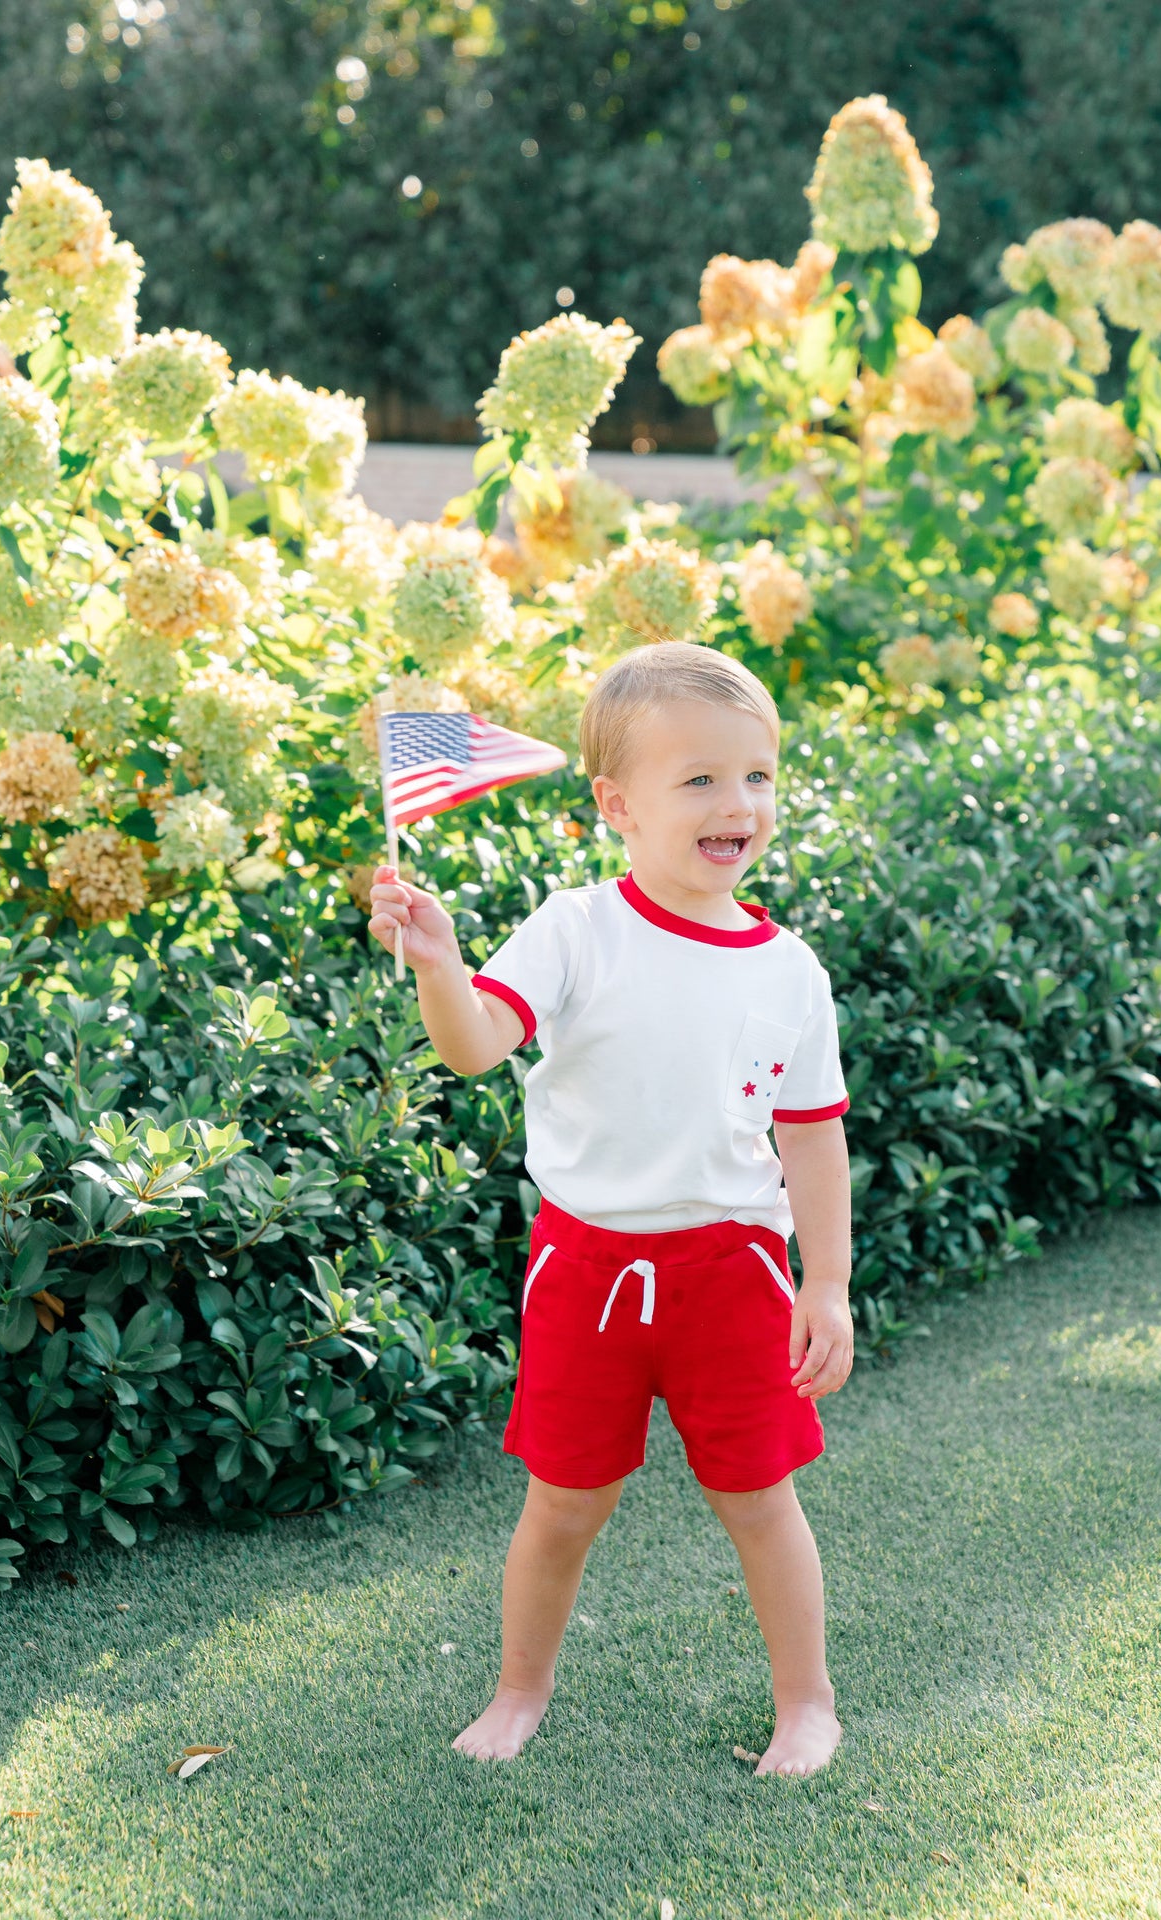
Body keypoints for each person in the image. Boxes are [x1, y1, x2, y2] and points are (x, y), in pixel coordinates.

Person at [366, 641, 854, 1777]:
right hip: (586, 1271)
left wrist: (823, 1281)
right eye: (697, 780)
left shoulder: (789, 972)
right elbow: (477, 1046)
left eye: (756, 776)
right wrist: (440, 966)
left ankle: (806, 1702)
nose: (735, 804)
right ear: (614, 805)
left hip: (732, 1275)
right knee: (564, 1504)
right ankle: (519, 1690)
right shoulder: (576, 928)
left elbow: (811, 1135)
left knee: (758, 1500)